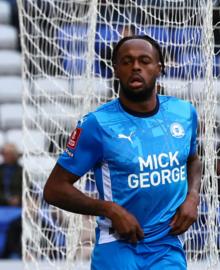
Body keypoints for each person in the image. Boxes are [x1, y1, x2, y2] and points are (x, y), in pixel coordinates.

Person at [43, 35, 201, 270]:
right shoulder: (96, 124)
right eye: (126, 61)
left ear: (159, 68)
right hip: (118, 245)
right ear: (116, 70)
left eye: (144, 60)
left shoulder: (184, 113)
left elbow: (192, 159)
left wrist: (193, 196)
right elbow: (54, 189)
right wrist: (109, 209)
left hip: (167, 246)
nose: (135, 66)